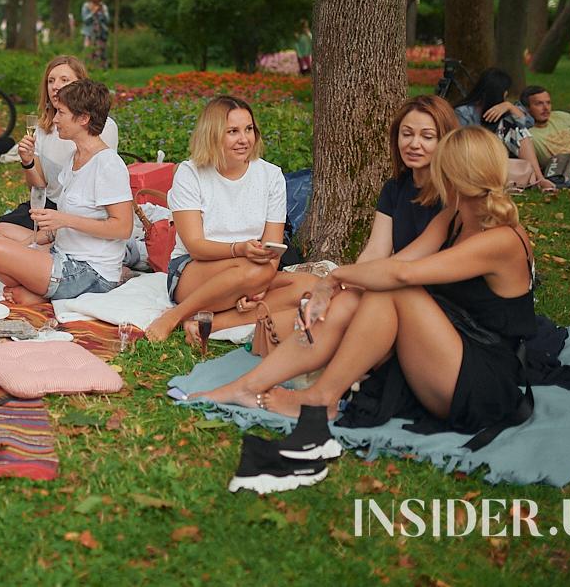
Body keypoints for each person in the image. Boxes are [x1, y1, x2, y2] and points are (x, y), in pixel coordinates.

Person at [198, 128, 539, 453]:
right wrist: (335, 288)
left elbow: (402, 274)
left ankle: (321, 398)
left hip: (481, 380)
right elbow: (393, 264)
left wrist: (332, 278)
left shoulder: (502, 240)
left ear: (452, 175)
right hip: (446, 347)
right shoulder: (453, 216)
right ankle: (247, 386)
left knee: (393, 290)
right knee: (355, 298)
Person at [178, 97, 459, 392]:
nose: (414, 144)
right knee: (342, 300)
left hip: (428, 294)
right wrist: (343, 286)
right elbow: (377, 251)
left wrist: (337, 281)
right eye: (407, 134)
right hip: (207, 269)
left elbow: (403, 266)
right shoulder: (396, 188)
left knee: (322, 291)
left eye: (427, 136)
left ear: (446, 140)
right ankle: (262, 383)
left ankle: (313, 387)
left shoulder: (451, 196)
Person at [144, 96, 287, 342]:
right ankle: (174, 316)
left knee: (308, 286)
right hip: (193, 268)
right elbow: (196, 246)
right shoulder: (190, 174)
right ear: (213, 134)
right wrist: (240, 250)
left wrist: (258, 288)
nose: (244, 139)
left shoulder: (271, 175)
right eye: (233, 131)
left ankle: (209, 324)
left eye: (249, 129)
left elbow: (273, 249)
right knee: (254, 271)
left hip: (253, 268)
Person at [0, 80, 132, 304]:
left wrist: (64, 220)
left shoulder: (108, 164)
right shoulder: (76, 158)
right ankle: (39, 290)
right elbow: (54, 215)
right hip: (61, 252)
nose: (54, 119)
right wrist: (27, 245)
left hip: (89, 272)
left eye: (61, 113)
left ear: (83, 118)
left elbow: (123, 228)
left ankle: (40, 293)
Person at [453, 67, 553, 191]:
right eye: (505, 92)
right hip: (473, 159)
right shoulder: (464, 112)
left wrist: (508, 106)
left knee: (518, 130)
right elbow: (460, 144)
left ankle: (539, 179)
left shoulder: (503, 110)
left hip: (497, 159)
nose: (506, 95)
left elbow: (528, 123)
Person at [80, 0, 110, 67]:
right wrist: (93, 12)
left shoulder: (103, 6)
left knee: (100, 53)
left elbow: (107, 20)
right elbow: (85, 20)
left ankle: (101, 70)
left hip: (100, 34)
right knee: (88, 53)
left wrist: (102, 13)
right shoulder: (86, 6)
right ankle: (87, 70)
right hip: (89, 34)